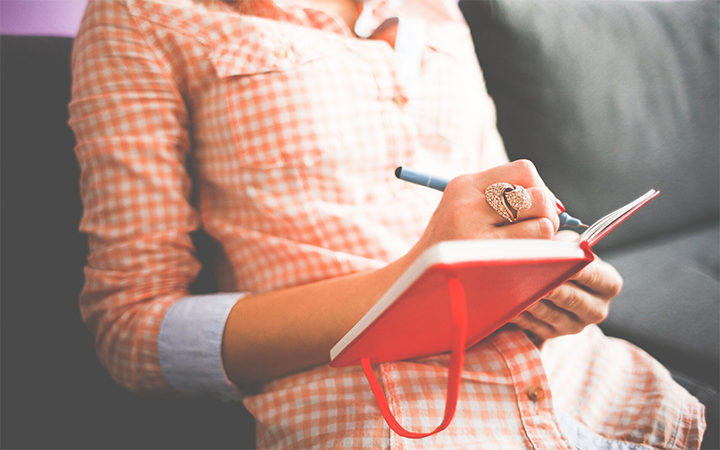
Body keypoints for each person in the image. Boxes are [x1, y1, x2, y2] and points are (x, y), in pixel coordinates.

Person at [69, 0, 705, 447]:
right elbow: (131, 330)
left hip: (591, 385)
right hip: (389, 415)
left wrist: (549, 269)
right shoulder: (142, 14)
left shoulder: (436, 11)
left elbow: (501, 202)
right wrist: (412, 281)